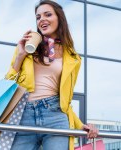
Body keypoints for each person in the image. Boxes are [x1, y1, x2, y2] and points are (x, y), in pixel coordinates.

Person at [5, 0, 98, 150]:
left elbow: (65, 101)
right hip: (24, 114)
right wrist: (19, 56)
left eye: (48, 14)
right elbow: (8, 83)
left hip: (55, 114)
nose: (42, 19)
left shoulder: (73, 58)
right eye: (38, 17)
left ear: (59, 18)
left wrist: (81, 125)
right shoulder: (28, 47)